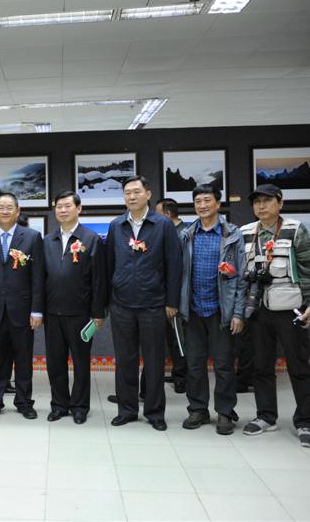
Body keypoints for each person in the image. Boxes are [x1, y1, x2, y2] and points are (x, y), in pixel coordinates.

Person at [240, 184, 310, 448]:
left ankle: (305, 421)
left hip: (290, 308)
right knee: (261, 366)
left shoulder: (295, 229)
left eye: (267, 200)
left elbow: (309, 268)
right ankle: (266, 416)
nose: (261, 206)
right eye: (257, 202)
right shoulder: (245, 232)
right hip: (257, 309)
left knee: (298, 366)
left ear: (280, 203)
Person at [106, 176, 181, 431]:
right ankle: (126, 410)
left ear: (148, 194)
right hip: (121, 304)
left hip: (153, 303)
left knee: (154, 361)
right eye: (127, 192)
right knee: (124, 361)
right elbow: (109, 263)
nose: (131, 196)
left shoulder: (163, 225)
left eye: (136, 192)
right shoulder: (116, 225)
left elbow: (174, 264)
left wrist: (172, 301)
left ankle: (155, 412)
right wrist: (109, 299)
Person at [178, 184, 246, 435]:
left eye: (207, 200)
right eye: (198, 201)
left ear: (218, 203)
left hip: (221, 310)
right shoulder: (187, 234)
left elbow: (241, 278)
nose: (202, 205)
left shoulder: (232, 235)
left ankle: (225, 412)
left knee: (224, 365)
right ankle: (198, 409)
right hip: (193, 309)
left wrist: (238, 313)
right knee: (194, 364)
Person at [0, 192, 44, 420]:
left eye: (9, 207)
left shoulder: (32, 237)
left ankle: (24, 402)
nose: (4, 211)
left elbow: (37, 277)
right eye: (0, 207)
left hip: (22, 310)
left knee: (23, 359)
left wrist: (37, 309)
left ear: (18, 211)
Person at [43, 190, 106, 424]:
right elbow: (41, 278)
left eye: (67, 206)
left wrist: (98, 312)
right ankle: (59, 404)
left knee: (81, 363)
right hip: (52, 313)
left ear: (78, 209)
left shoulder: (91, 239)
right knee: (55, 363)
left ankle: (79, 406)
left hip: (81, 313)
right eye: (59, 206)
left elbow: (99, 279)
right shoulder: (48, 240)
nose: (62, 210)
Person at [154, 198, 188, 394]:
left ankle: (182, 378)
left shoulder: (182, 233)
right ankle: (177, 372)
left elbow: (180, 269)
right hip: (162, 296)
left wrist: (173, 300)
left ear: (167, 214)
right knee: (170, 338)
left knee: (179, 338)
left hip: (177, 296)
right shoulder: (166, 231)